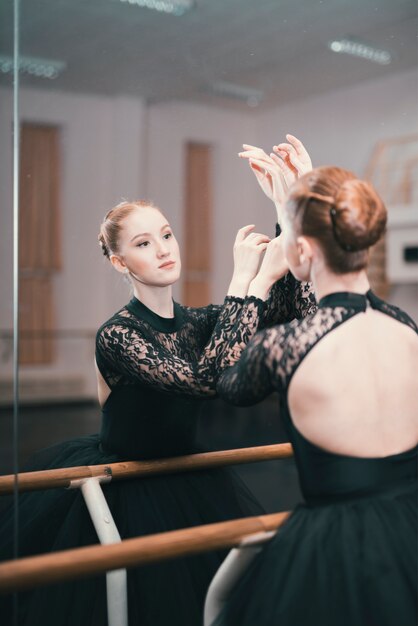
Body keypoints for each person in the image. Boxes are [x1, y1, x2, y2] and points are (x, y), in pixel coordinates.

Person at [0, 192, 316, 625]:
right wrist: (249, 280)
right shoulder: (118, 335)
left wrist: (287, 213)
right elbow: (206, 381)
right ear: (119, 262)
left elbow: (297, 310)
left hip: (186, 478)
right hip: (125, 491)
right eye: (144, 243)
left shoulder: (197, 322)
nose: (164, 248)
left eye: (166, 235)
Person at [208, 149, 418, 625]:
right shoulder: (407, 327)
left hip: (336, 547)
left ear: (301, 251)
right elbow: (329, 315)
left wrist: (250, 281)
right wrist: (298, 206)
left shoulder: (284, 347)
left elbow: (225, 379)